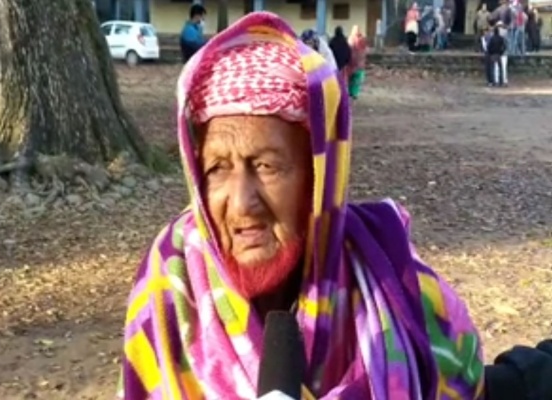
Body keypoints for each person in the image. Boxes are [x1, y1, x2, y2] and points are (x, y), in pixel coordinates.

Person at [116, 11, 552, 400]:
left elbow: (466, 384)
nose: (242, 203)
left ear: (320, 178)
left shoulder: (396, 285)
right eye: (217, 169)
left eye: (266, 165)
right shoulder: (170, 293)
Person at [347, 25, 367, 100]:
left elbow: (348, 49)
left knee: (351, 79)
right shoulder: (362, 40)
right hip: (359, 63)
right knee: (356, 80)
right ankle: (354, 93)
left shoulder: (350, 39)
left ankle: (350, 92)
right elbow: (364, 50)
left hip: (352, 63)